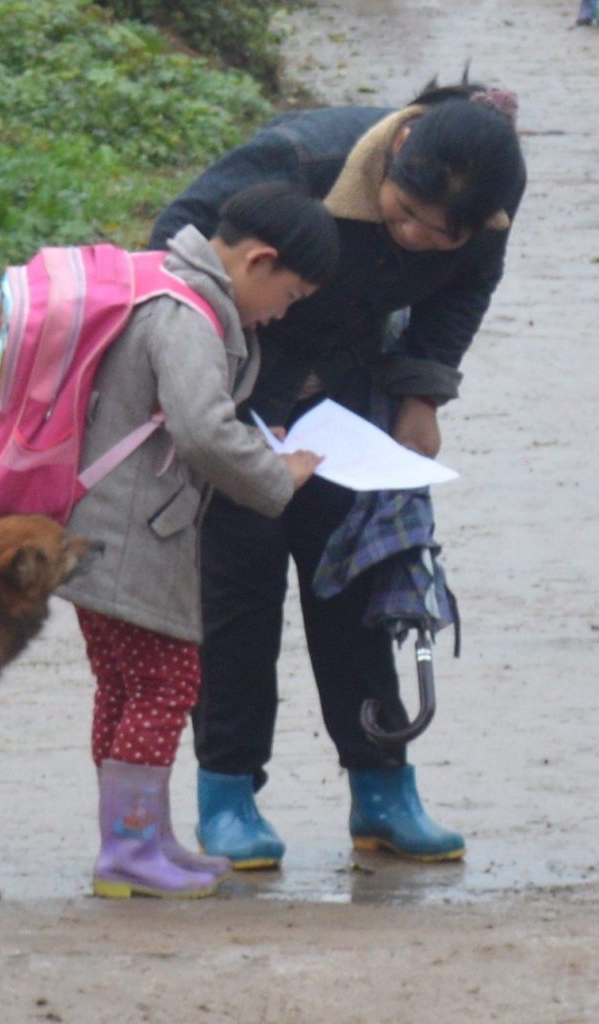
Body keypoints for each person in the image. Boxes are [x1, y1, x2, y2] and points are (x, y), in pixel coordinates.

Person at [149, 78, 526, 869]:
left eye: (441, 232)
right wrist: (216, 366)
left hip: (348, 401)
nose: (419, 238)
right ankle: (228, 794)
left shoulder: (481, 215)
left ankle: (382, 790)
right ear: (395, 150)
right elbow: (175, 240)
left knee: (356, 584)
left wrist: (421, 393)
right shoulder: (300, 159)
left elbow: (461, 295)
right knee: (238, 598)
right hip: (241, 395)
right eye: (404, 215)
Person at [58, 183, 339, 898]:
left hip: (97, 526)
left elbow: (185, 417)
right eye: (290, 296)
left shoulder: (162, 282)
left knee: (125, 687)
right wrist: (280, 474)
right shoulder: (187, 315)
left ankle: (141, 840)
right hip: (130, 533)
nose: (281, 315)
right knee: (166, 683)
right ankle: (125, 852)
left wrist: (252, 441)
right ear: (258, 261)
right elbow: (200, 431)